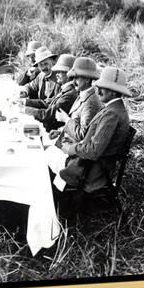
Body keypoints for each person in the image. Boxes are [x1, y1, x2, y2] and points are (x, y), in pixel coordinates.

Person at [58, 66, 132, 194]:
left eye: (102, 87)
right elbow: (91, 137)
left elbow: (93, 151)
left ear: (113, 92)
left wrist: (70, 149)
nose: (97, 89)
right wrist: (72, 142)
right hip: (90, 165)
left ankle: (60, 204)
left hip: (91, 171)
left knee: (48, 163)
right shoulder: (112, 108)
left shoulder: (112, 114)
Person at [50, 57, 102, 143]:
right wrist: (61, 131)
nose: (73, 81)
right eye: (73, 77)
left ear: (87, 79)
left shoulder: (91, 102)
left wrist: (66, 119)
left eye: (77, 77)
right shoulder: (82, 94)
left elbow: (83, 135)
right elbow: (76, 124)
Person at [22, 54, 77, 131]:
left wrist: (24, 110)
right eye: (56, 71)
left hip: (55, 131)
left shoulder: (70, 94)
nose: (56, 74)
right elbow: (47, 104)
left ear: (69, 74)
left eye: (60, 72)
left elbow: (49, 114)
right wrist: (24, 102)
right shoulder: (65, 89)